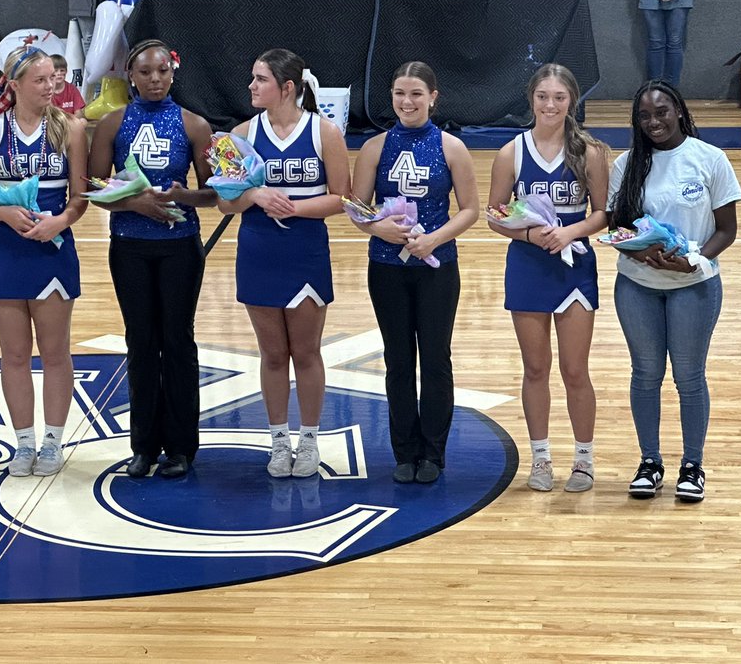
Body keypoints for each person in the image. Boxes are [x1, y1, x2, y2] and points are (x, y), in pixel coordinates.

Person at [217, 49, 350, 479]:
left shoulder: (324, 132)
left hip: (306, 251)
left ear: (286, 87)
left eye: (260, 79)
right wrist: (254, 195)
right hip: (258, 251)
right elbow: (224, 201)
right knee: (272, 354)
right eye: (252, 79)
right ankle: (278, 440)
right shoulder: (239, 133)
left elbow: (341, 198)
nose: (252, 87)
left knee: (306, 351)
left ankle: (308, 439)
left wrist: (293, 207)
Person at [607, 80, 741, 504]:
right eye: (645, 116)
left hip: (695, 286)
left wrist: (695, 258)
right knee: (645, 375)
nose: (654, 122)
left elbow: (727, 230)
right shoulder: (625, 165)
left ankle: (692, 466)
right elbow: (616, 227)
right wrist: (642, 251)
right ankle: (649, 463)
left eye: (662, 112)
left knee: (689, 377)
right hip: (638, 285)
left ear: (679, 111)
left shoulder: (710, 159)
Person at [88, 39, 216, 478]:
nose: (155, 79)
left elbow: (215, 192)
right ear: (130, 76)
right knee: (140, 343)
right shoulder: (111, 124)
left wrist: (186, 197)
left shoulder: (195, 125)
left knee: (177, 343)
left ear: (173, 72)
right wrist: (131, 205)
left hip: (180, 246)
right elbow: (94, 189)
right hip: (129, 246)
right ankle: (143, 445)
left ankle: (181, 447)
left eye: (162, 70)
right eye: (145, 72)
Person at [350, 62, 479, 484]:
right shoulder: (374, 148)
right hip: (386, 268)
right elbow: (357, 207)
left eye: (416, 94)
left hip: (437, 268)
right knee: (398, 361)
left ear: (433, 97)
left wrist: (434, 239)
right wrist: (377, 227)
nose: (407, 102)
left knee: (436, 359)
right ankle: (404, 451)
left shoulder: (451, 147)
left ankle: (434, 453)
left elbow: (472, 210)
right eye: (400, 93)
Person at [488, 64, 610, 493]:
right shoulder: (511, 153)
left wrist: (569, 232)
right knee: (535, 368)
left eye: (559, 97)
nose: (550, 104)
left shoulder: (590, 152)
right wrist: (528, 233)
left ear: (571, 100)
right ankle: (540, 459)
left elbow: (601, 213)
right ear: (531, 99)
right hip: (528, 265)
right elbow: (494, 215)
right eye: (543, 96)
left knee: (575, 370)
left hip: (574, 266)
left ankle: (584, 459)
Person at [0, 47, 88, 477]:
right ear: (14, 85)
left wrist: (61, 221)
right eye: (40, 80)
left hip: (53, 249)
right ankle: (23, 443)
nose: (50, 86)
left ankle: (53, 441)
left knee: (55, 352)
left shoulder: (72, 129)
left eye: (54, 79)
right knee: (14, 354)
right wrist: (3, 212)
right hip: (6, 249)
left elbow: (80, 199)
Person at [50, 54, 86, 118]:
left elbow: (79, 113)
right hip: (53, 123)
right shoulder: (46, 90)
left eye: (62, 70)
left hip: (71, 122)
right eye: (55, 71)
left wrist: (69, 120)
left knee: (83, 122)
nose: (59, 73)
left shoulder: (72, 89)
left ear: (66, 71)